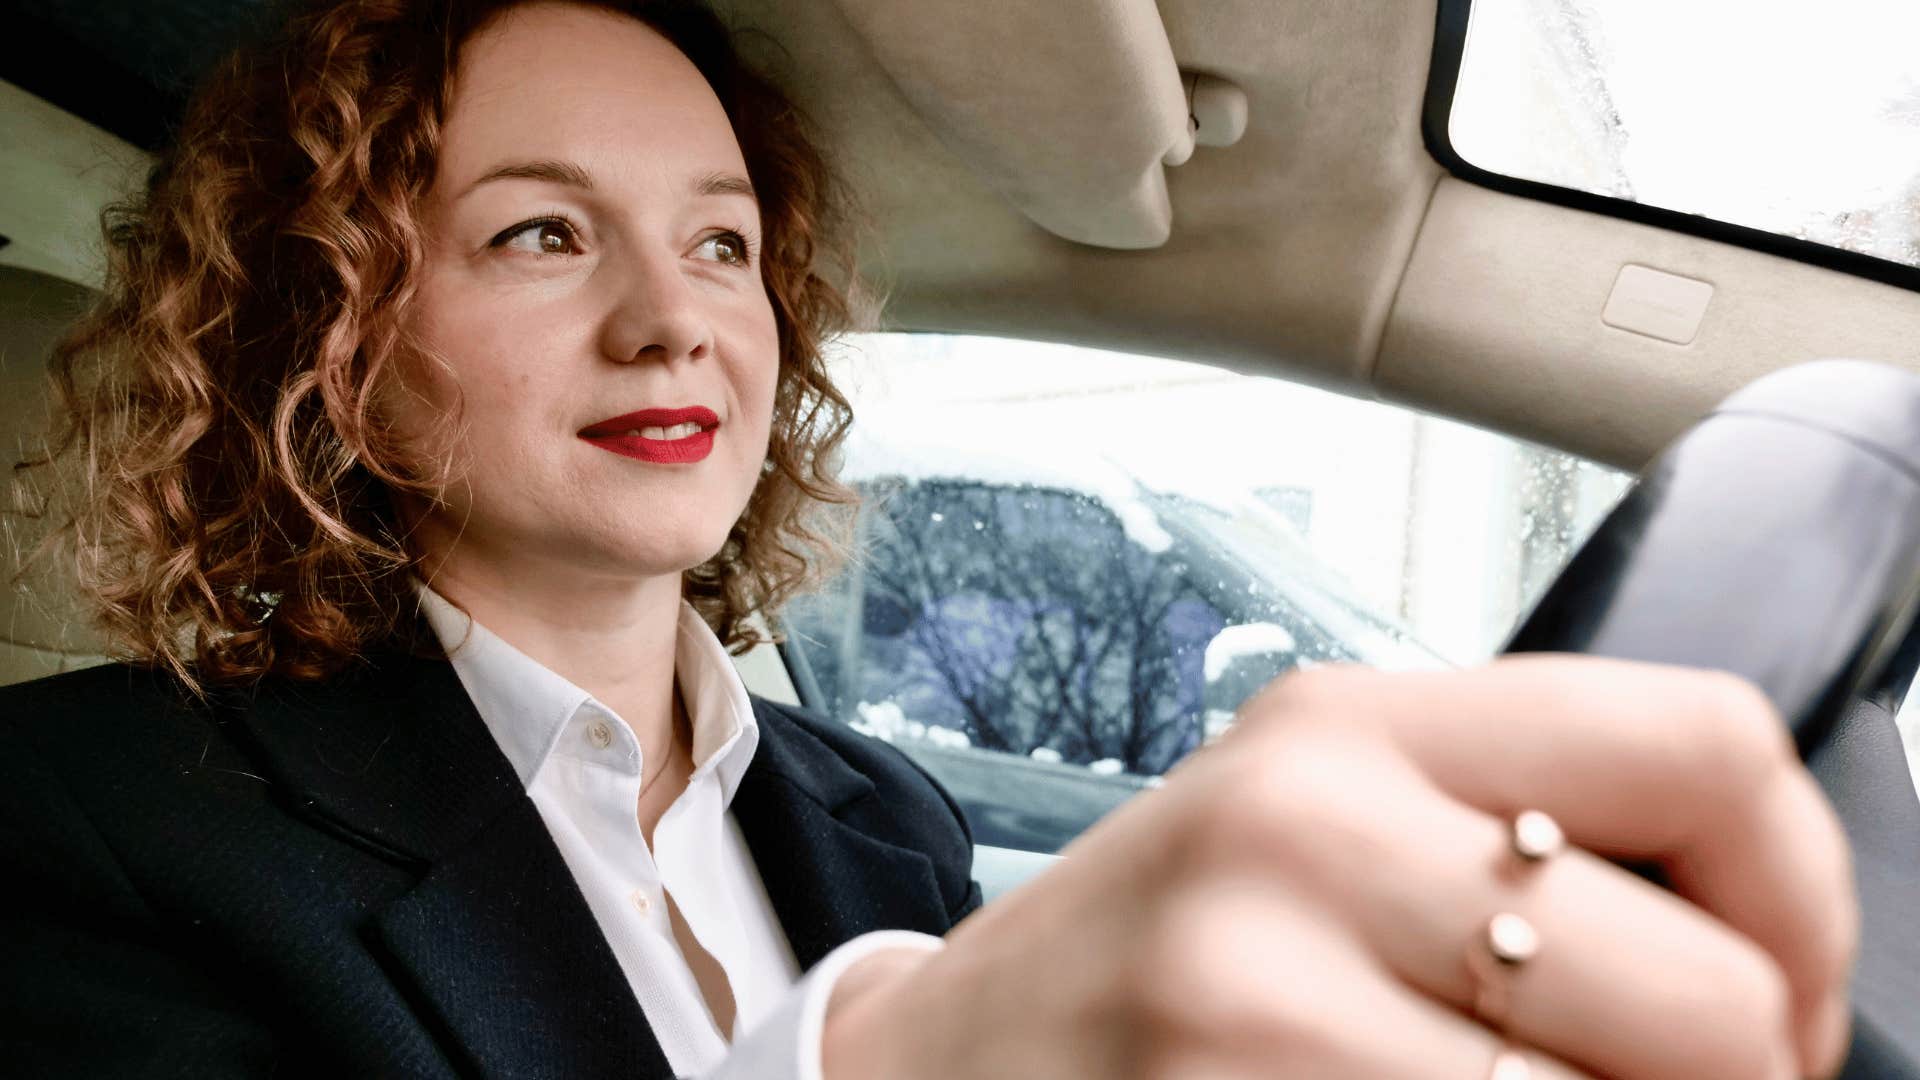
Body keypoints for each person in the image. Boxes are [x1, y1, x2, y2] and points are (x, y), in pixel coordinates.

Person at [0, 1, 1857, 1077]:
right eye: (542, 236)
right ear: (335, 342)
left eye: (723, 241)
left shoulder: (882, 810)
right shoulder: (90, 821)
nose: (676, 321)